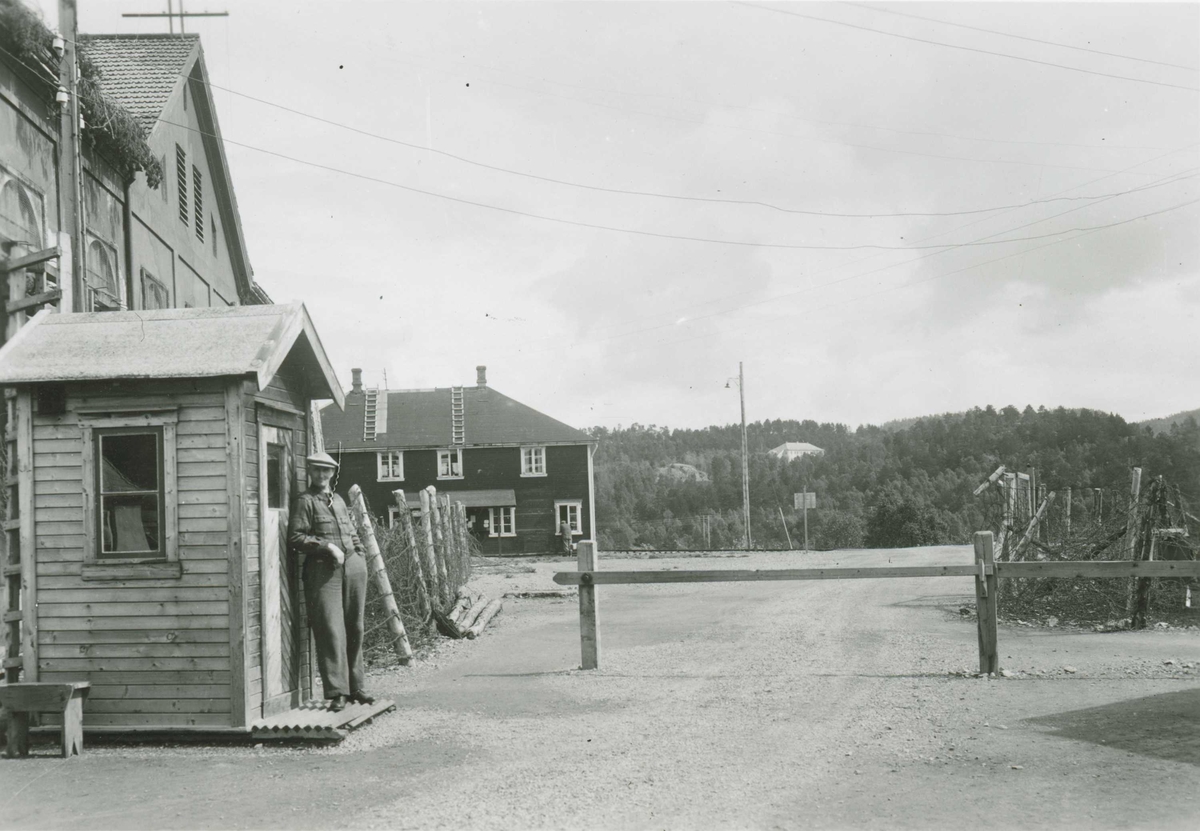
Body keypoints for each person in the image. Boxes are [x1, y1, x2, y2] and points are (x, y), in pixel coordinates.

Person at [287, 452, 374, 712]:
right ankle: (337, 692)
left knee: (355, 627)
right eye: (317, 471)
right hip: (323, 573)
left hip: (354, 569)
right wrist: (326, 547)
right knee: (330, 629)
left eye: (326, 471)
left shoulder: (337, 500)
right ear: (310, 472)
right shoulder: (305, 502)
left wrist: (359, 554)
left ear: (332, 473)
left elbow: (351, 531)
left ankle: (356, 687)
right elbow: (295, 537)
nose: (322, 475)